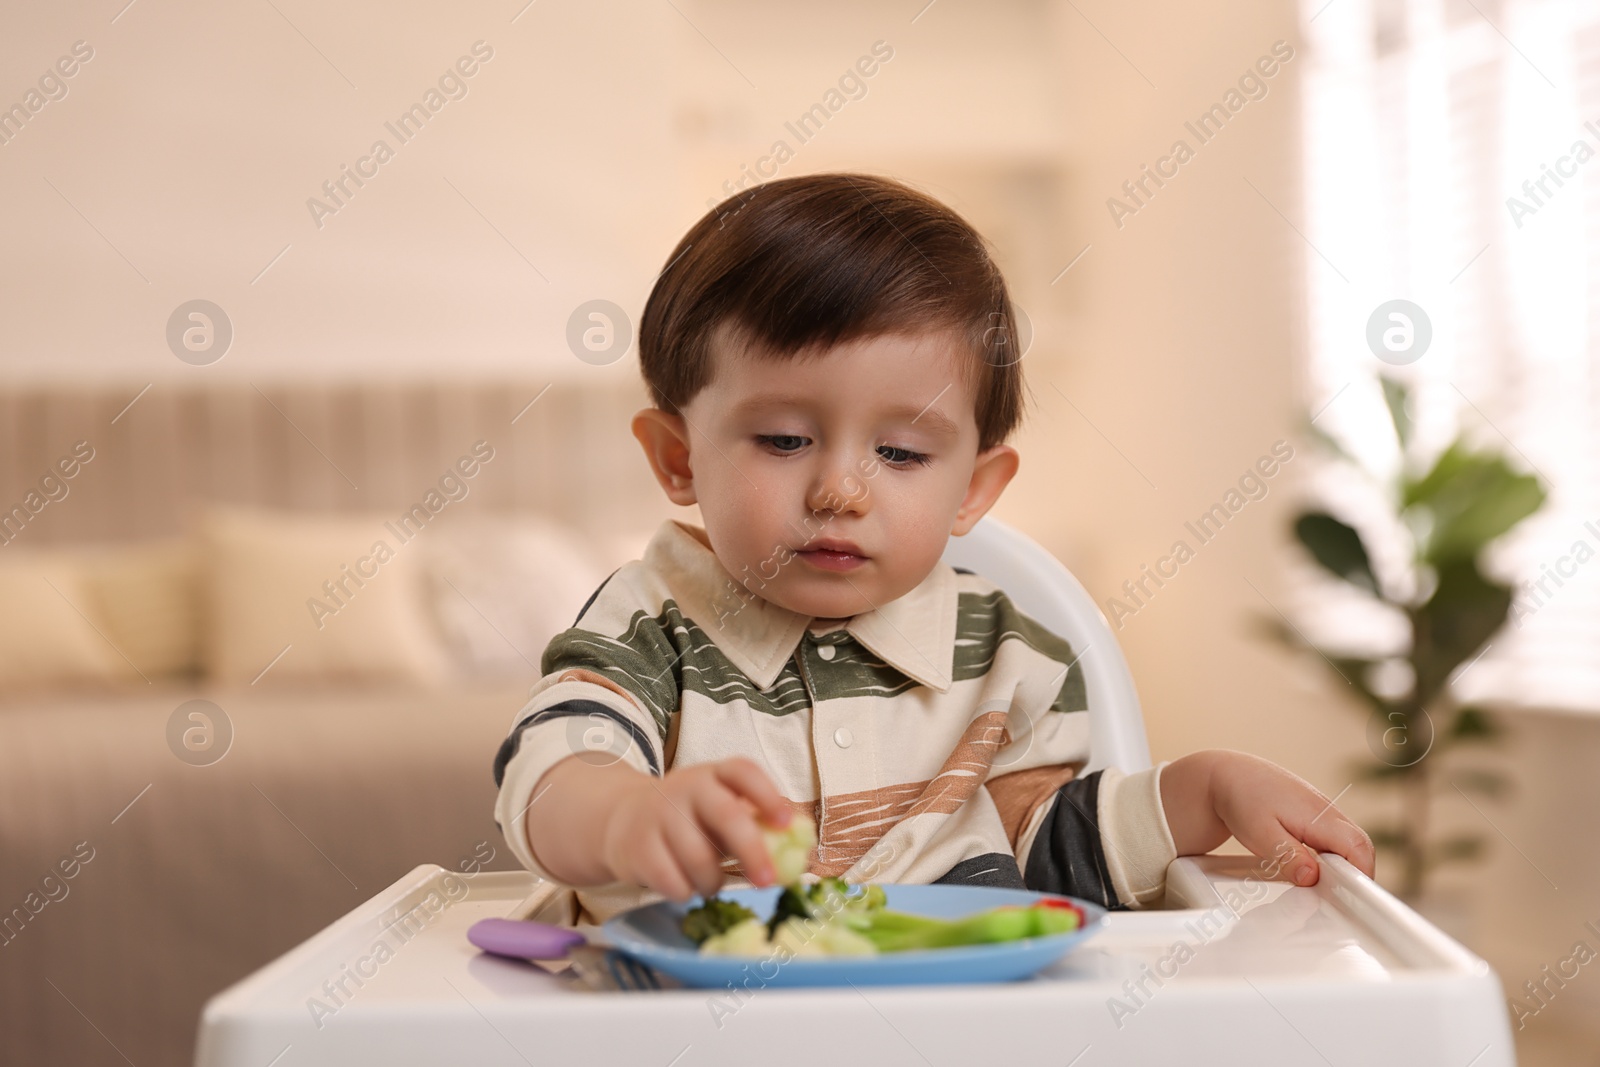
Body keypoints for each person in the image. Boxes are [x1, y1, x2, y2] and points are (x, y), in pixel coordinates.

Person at [492, 172, 1374, 927]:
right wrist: (624, 816)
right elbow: (555, 766)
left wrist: (1204, 792)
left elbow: (1051, 855)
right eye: (785, 440)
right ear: (680, 458)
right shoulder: (651, 623)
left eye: (903, 453)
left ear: (973, 490)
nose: (841, 489)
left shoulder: (1008, 654)